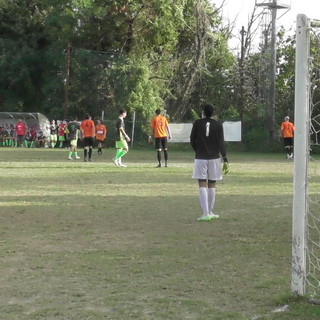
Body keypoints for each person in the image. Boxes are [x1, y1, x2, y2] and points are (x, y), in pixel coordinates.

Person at [190, 104, 229, 222]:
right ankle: (211, 211)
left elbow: (192, 139)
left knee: (202, 183)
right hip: (214, 158)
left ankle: (205, 213)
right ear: (213, 113)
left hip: (200, 157)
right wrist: (225, 157)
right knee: (212, 183)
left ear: (202, 112)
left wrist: (197, 150)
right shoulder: (218, 125)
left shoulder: (197, 123)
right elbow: (221, 142)